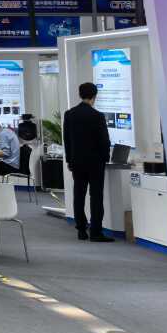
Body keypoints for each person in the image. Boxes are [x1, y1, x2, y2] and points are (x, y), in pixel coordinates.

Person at [64, 81, 113, 243]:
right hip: (95, 162)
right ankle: (96, 232)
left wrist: (69, 160)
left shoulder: (69, 114)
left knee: (79, 194)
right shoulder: (98, 116)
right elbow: (104, 141)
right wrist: (106, 157)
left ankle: (81, 230)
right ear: (94, 96)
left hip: (77, 162)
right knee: (96, 196)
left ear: (80, 94)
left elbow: (67, 140)